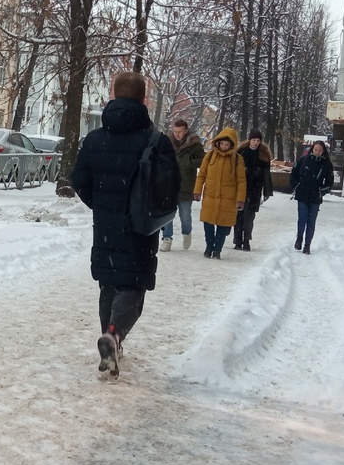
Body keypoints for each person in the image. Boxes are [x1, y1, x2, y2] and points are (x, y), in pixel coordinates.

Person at [72, 71, 179, 379]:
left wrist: (102, 204)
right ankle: (114, 335)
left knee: (108, 282)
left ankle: (111, 341)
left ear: (113, 95)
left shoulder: (94, 139)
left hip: (105, 223)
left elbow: (79, 180)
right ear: (144, 100)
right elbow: (172, 186)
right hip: (141, 227)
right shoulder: (156, 141)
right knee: (132, 285)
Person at [192, 127, 247, 259]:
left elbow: (241, 180)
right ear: (217, 143)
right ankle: (209, 247)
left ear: (232, 145)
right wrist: (197, 191)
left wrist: (240, 199)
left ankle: (217, 250)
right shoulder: (210, 156)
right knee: (208, 224)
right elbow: (202, 175)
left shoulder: (237, 159)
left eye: (227, 144)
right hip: (210, 196)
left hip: (228, 199)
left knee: (223, 226)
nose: (224, 146)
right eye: (221, 143)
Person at [159, 118, 205, 252]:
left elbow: (203, 160)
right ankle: (167, 239)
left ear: (186, 131)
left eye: (179, 131)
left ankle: (187, 232)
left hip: (186, 184)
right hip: (169, 184)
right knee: (168, 215)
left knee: (185, 216)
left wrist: (190, 162)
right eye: (175, 131)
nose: (177, 134)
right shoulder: (167, 142)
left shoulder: (195, 144)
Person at [289, 140, 334, 254]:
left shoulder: (326, 164)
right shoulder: (303, 160)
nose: (317, 152)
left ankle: (307, 245)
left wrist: (321, 191)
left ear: (323, 151)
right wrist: (296, 186)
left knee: (311, 222)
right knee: (302, 218)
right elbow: (293, 174)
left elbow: (329, 182)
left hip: (315, 196)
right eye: (315, 150)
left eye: (320, 150)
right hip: (302, 194)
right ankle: (299, 238)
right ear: (312, 149)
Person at [233, 130, 274, 251]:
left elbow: (267, 174)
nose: (256, 143)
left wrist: (267, 190)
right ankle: (237, 240)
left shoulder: (263, 155)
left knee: (249, 216)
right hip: (241, 187)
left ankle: (246, 240)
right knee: (238, 215)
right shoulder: (241, 152)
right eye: (254, 140)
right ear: (249, 140)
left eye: (258, 140)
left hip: (255, 189)